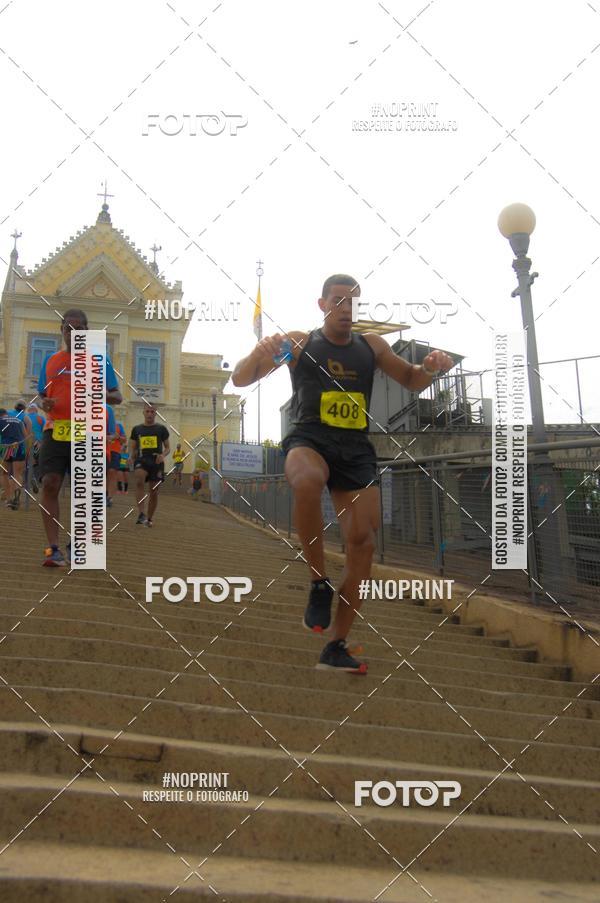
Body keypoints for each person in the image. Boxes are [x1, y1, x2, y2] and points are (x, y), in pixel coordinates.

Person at [232, 274, 454, 673]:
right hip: (311, 439)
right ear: (322, 305)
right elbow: (242, 378)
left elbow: (410, 378)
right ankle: (319, 582)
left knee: (363, 543)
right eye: (338, 300)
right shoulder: (299, 343)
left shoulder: (372, 346)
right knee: (307, 480)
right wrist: (257, 353)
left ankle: (335, 645)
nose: (346, 308)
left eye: (352, 301)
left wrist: (430, 366)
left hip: (355, 450)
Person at [37, 308, 122, 566]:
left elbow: (117, 396)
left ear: (87, 332)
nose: (73, 333)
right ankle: (53, 549)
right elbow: (42, 396)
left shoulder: (99, 360)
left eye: (79, 329)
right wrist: (44, 403)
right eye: (68, 328)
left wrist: (96, 393)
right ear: (62, 330)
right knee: (50, 483)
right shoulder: (50, 361)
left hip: (87, 431)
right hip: (56, 429)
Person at [130, 404, 170, 527]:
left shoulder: (161, 429)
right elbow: (133, 447)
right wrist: (131, 457)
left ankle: (149, 518)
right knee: (139, 480)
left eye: (152, 412)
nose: (149, 414)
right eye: (147, 411)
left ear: (155, 414)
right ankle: (141, 513)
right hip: (142, 460)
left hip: (156, 462)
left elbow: (167, 448)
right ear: (143, 413)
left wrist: (162, 455)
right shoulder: (137, 429)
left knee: (153, 491)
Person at [0, 406, 29, 509]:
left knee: (4, 473)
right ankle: (17, 497)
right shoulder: (18, 421)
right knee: (17, 474)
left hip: (6, 448)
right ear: (6, 413)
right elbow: (26, 436)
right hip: (19, 447)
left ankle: (8, 499)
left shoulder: (1, 421)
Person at [26, 403, 46, 493]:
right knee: (41, 462)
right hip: (38, 443)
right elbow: (45, 430)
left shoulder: (24, 417)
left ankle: (32, 478)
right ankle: (43, 480)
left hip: (26, 444)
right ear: (36, 409)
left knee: (27, 464)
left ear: (28, 409)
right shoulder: (40, 418)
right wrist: (41, 441)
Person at [107, 418, 126, 506]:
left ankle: (109, 497)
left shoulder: (118, 426)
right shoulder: (99, 425)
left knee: (112, 472)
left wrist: (118, 437)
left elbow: (124, 440)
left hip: (115, 452)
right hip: (101, 451)